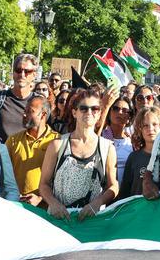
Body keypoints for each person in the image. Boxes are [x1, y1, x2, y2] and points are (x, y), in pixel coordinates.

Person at [39, 89, 118, 221]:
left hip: (92, 221)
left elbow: (113, 186)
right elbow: (43, 184)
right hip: (60, 219)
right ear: (74, 112)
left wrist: (97, 203)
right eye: (84, 108)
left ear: (99, 114)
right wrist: (53, 203)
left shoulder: (107, 148)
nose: (89, 112)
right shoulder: (57, 145)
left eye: (95, 109)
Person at [6, 93, 59, 206]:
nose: (24, 114)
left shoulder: (58, 141)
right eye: (24, 110)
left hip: (47, 210)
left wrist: (41, 199)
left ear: (43, 114)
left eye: (30, 111)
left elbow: (62, 181)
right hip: (17, 205)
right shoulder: (13, 140)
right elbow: (4, 173)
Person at [118, 105, 160, 199]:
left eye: (155, 124)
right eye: (145, 125)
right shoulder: (134, 157)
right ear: (139, 129)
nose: (150, 129)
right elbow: (124, 192)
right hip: (137, 211)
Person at [0, 53, 39, 142]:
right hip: (0, 153)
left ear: (34, 74)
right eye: (18, 70)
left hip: (30, 154)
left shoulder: (40, 102)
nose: (22, 74)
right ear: (13, 73)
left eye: (27, 71)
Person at [102, 95, 135, 181]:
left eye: (125, 110)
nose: (120, 112)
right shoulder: (100, 137)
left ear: (130, 117)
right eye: (116, 108)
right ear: (109, 112)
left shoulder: (133, 142)